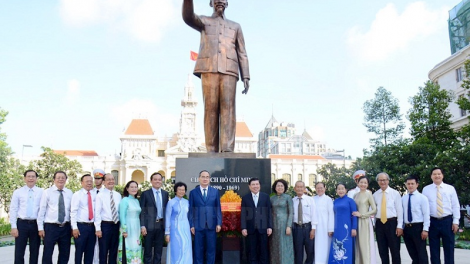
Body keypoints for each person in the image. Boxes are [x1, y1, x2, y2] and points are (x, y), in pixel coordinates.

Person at [182, 0, 250, 152]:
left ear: (227, 3)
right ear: (211, 3)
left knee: (229, 109)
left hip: (230, 71)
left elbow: (242, 52)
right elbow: (188, 17)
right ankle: (211, 149)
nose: (220, 1)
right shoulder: (204, 21)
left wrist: (246, 75)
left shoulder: (235, 26)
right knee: (210, 109)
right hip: (208, 69)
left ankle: (227, 149)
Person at [423, 167, 460, 264]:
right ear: (431, 176)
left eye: (439, 174)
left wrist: (456, 221)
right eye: (434, 174)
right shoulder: (426, 189)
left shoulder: (450, 189)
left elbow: (456, 206)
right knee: (434, 250)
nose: (437, 176)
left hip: (447, 221)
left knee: (449, 249)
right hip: (432, 222)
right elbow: (424, 208)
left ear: (442, 175)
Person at [37, 171, 73, 264]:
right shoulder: (47, 192)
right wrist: (40, 228)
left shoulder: (70, 193)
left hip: (65, 227)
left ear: (66, 180)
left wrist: (73, 227)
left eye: (63, 177)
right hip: (51, 227)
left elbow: (72, 212)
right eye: (58, 177)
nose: (60, 179)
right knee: (48, 253)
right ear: (54, 179)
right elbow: (42, 210)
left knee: (65, 253)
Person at [9, 170, 43, 264]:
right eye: (28, 176)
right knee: (19, 251)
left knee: (35, 251)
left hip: (35, 224)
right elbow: (13, 209)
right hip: (22, 224)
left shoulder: (41, 192)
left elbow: (43, 209)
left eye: (33, 176)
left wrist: (41, 227)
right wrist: (13, 226)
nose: (31, 178)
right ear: (25, 178)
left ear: (36, 179)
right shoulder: (18, 192)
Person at [188, 170, 222, 264]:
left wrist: (219, 223)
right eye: (203, 177)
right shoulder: (193, 193)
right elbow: (191, 210)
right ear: (199, 178)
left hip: (212, 225)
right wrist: (191, 225)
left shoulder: (215, 192)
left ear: (209, 179)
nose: (205, 179)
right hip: (198, 226)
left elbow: (218, 208)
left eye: (207, 177)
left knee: (211, 250)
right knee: (198, 250)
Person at [373, 172, 403, 264]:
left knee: (395, 250)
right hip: (379, 224)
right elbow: (373, 211)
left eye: (384, 180)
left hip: (392, 223)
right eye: (380, 180)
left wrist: (399, 226)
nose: (382, 182)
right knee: (382, 250)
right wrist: (373, 225)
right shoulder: (375, 195)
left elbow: (399, 211)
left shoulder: (395, 193)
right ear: (378, 182)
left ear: (388, 181)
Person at [139, 172, 169, 264]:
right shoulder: (145, 194)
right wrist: (142, 225)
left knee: (158, 251)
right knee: (147, 251)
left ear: (162, 181)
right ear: (151, 181)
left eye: (159, 180)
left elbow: (166, 210)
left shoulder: (165, 194)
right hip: (149, 226)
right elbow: (142, 211)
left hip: (161, 225)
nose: (157, 181)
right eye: (155, 179)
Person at [241, 177, 272, 264]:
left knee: (263, 252)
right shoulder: (245, 198)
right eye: (253, 184)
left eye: (257, 184)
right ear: (249, 186)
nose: (255, 186)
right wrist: (243, 227)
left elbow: (269, 212)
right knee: (252, 252)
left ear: (260, 186)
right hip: (251, 229)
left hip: (263, 229)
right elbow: (243, 213)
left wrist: (270, 226)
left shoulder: (265, 197)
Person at [95, 173, 122, 264]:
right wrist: (98, 228)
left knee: (114, 251)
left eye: (112, 179)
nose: (111, 181)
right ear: (104, 182)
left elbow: (119, 212)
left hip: (115, 225)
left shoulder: (118, 195)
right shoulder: (100, 195)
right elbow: (97, 213)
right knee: (103, 251)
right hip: (105, 226)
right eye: (108, 179)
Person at [402, 175, 429, 264]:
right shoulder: (403, 198)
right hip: (407, 228)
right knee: (412, 253)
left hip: (418, 227)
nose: (410, 186)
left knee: (421, 253)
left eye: (412, 184)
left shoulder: (422, 198)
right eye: (408, 184)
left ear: (417, 184)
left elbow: (426, 215)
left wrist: (425, 229)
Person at [328, 183, 357, 264]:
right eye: (339, 189)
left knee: (347, 247)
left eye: (342, 188)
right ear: (336, 190)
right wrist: (331, 228)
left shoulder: (350, 201)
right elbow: (331, 215)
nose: (341, 190)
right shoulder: (335, 201)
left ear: (346, 190)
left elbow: (354, 215)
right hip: (337, 228)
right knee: (336, 246)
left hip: (347, 228)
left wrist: (354, 228)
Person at [71, 174, 96, 264]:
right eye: (87, 181)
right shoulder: (77, 195)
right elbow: (73, 212)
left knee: (90, 253)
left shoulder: (95, 195)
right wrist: (74, 227)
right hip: (81, 226)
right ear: (82, 183)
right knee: (79, 252)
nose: (89, 183)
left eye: (91, 181)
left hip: (92, 227)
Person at [165, 182, 192, 264]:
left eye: (183, 190)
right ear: (175, 191)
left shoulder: (187, 202)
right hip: (174, 229)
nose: (181, 191)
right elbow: (167, 217)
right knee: (176, 249)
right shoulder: (171, 202)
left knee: (186, 248)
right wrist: (167, 233)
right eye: (179, 189)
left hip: (186, 229)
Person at [351, 176, 377, 264]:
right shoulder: (355, 195)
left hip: (365, 222)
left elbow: (374, 209)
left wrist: (362, 215)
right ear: (357, 183)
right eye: (361, 182)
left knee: (365, 245)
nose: (363, 184)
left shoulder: (369, 194)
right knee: (358, 245)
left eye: (365, 183)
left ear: (367, 184)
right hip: (356, 222)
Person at [292, 181, 317, 264]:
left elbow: (314, 214)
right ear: (295, 189)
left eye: (301, 187)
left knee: (310, 251)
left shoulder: (310, 200)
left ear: (304, 188)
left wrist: (313, 229)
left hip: (308, 228)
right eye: (297, 187)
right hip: (296, 229)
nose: (299, 188)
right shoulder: (292, 201)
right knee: (298, 251)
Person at [269, 179, 293, 264]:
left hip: (284, 225)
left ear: (285, 187)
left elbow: (291, 212)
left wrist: (288, 226)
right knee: (275, 246)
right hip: (274, 225)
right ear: (275, 187)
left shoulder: (288, 197)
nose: (280, 187)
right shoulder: (271, 198)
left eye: (282, 186)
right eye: (278, 186)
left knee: (285, 247)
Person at [118, 181, 142, 264]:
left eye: (135, 187)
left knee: (136, 247)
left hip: (136, 227)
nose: (134, 189)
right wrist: (124, 230)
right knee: (127, 248)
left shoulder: (137, 201)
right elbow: (122, 215)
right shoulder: (125, 200)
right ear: (127, 189)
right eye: (131, 187)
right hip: (128, 227)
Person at [313, 182, 334, 264]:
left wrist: (330, 229)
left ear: (325, 188)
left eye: (321, 188)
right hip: (315, 227)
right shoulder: (313, 199)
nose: (319, 189)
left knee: (325, 246)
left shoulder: (328, 199)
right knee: (316, 246)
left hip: (325, 227)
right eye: (318, 188)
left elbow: (331, 214)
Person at [92, 169, 105, 264]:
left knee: (102, 247)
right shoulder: (91, 192)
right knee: (92, 247)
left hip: (102, 224)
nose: (97, 181)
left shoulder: (106, 192)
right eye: (95, 178)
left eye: (99, 178)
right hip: (90, 223)